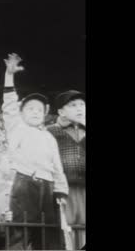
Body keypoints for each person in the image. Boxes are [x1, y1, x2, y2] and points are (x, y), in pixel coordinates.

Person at [1, 53, 69, 250]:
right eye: (30, 108)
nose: (35, 112)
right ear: (22, 113)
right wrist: (9, 75)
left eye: (39, 110)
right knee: (19, 235)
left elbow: (57, 167)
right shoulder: (16, 127)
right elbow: (9, 105)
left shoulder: (49, 137)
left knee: (48, 236)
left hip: (47, 187)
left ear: (44, 114)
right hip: (23, 184)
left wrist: (61, 191)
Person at [47, 90, 86, 249]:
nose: (79, 108)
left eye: (82, 105)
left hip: (84, 191)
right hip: (63, 192)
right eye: (73, 105)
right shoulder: (51, 131)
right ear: (61, 111)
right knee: (66, 231)